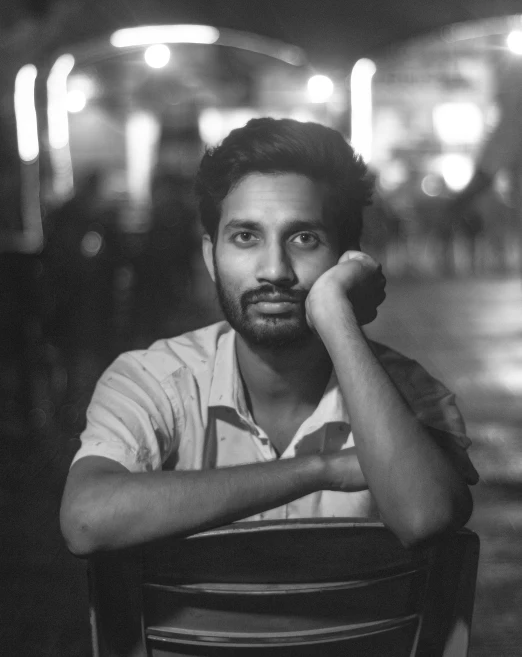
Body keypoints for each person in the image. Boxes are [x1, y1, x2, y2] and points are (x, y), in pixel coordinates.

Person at [60, 118, 478, 556]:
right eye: (245, 237)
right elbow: (87, 519)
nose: (275, 269)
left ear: (347, 257)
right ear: (210, 257)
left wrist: (335, 312)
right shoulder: (152, 380)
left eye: (304, 238)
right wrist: (320, 470)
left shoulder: (412, 395)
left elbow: (425, 517)